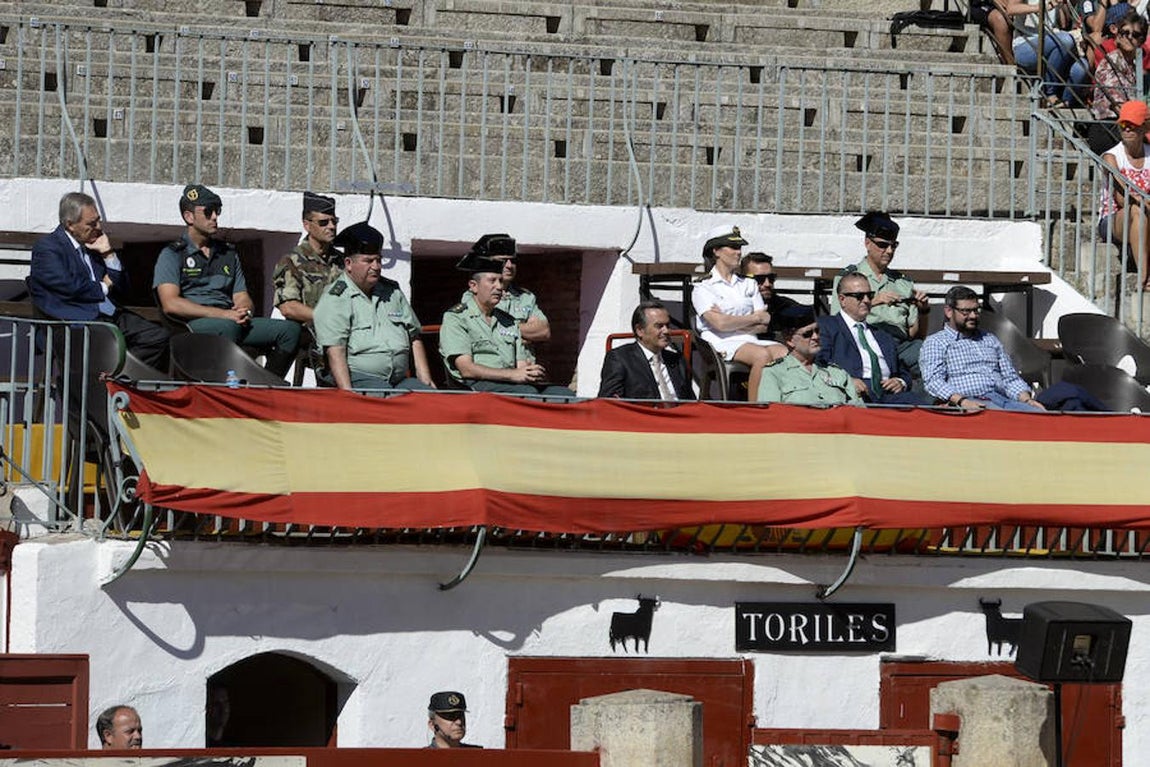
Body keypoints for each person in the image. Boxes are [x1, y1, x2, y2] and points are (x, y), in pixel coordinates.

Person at [154, 184, 301, 377]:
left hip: (230, 321)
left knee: (290, 331)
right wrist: (222, 315)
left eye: (217, 211)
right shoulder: (173, 254)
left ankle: (268, 383)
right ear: (189, 217)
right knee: (228, 327)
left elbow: (241, 295)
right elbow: (170, 303)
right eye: (208, 212)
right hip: (193, 324)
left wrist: (244, 310)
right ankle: (223, 386)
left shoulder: (228, 253)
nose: (215, 216)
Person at [28, 192, 169, 370]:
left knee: (157, 337)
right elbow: (68, 287)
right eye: (91, 223)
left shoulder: (94, 244)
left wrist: (108, 254)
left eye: (98, 220)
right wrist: (104, 286)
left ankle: (116, 379)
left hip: (109, 315)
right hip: (76, 320)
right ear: (70, 225)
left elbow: (124, 288)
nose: (98, 226)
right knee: (100, 349)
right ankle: (107, 381)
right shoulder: (48, 248)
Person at [439, 239, 574, 396]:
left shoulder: (508, 321)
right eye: (492, 281)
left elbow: (522, 364)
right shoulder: (456, 318)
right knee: (528, 394)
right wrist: (513, 375)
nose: (499, 287)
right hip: (475, 385)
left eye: (500, 281)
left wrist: (530, 373)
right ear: (473, 286)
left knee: (564, 395)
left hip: (510, 384)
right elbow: (467, 370)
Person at [313, 222, 435, 392]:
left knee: (430, 400)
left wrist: (425, 377)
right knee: (387, 400)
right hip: (359, 378)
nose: (376, 267)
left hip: (398, 380)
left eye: (378, 260)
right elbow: (335, 351)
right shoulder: (336, 298)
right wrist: (348, 394)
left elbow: (414, 336)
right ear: (348, 264)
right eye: (368, 261)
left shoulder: (392, 292)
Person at [691, 225, 786, 400]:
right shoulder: (703, 287)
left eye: (740, 248)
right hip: (720, 343)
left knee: (785, 354)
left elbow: (764, 323)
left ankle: (781, 404)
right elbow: (719, 324)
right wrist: (752, 317)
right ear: (716, 251)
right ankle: (755, 408)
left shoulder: (747, 284)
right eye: (734, 248)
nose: (739, 252)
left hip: (749, 339)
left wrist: (731, 321)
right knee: (762, 355)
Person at [831, 212, 929, 378]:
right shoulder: (849, 278)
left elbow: (915, 335)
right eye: (883, 245)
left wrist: (924, 311)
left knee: (932, 360)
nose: (889, 251)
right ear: (867, 243)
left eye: (893, 246)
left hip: (900, 345)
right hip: (864, 341)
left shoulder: (903, 283)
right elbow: (836, 322)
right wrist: (872, 301)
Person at [919, 286, 1046, 411]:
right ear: (949, 311)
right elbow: (934, 382)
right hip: (970, 401)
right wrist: (962, 401)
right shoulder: (936, 342)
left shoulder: (990, 339)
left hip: (1003, 400)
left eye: (976, 310)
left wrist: (1027, 400)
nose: (973, 316)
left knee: (1039, 416)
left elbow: (1010, 378)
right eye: (966, 311)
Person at [817, 273, 924, 405]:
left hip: (888, 394)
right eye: (859, 296)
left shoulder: (882, 335)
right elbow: (818, 365)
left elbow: (903, 372)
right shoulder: (827, 326)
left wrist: (899, 382)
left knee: (921, 406)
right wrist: (846, 380)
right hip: (852, 394)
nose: (867, 300)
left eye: (870, 295)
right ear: (842, 299)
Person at [755, 310, 861, 406]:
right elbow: (771, 416)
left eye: (817, 331)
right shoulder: (775, 373)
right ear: (789, 339)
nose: (816, 337)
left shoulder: (837, 372)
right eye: (807, 334)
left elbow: (860, 413)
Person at [998, 0, 1091, 108]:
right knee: (1065, 40)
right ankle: (1049, 93)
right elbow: (1011, 9)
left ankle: (1064, 103)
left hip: (1053, 43)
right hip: (1025, 45)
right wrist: (1041, 7)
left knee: (1081, 67)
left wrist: (1062, 5)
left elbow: (1064, 23)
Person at [272, 191, 344, 331]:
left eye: (334, 221)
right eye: (323, 222)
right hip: (308, 340)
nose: (331, 227)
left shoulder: (342, 261)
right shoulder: (292, 261)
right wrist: (325, 318)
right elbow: (288, 307)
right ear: (307, 225)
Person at [598, 300, 695, 400]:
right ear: (640, 330)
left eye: (667, 325)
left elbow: (690, 401)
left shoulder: (677, 360)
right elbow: (610, 404)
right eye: (659, 326)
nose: (666, 331)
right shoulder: (620, 359)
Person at [1099, 100, 1150, 287]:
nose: (1127, 129)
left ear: (1144, 127)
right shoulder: (1111, 156)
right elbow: (1123, 198)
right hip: (1113, 220)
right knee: (1136, 211)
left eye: (1132, 124)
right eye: (1123, 124)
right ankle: (1144, 275)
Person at [1088, 11, 1148, 155]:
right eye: (1125, 32)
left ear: (1142, 40)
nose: (1129, 38)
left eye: (1136, 35)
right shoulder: (1111, 61)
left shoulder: (1133, 66)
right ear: (1117, 35)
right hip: (1110, 128)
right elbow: (1119, 107)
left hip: (1127, 128)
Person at [480, 233, 550, 345]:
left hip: (526, 361)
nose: (509, 265)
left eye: (513, 261)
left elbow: (544, 331)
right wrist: (524, 333)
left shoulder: (525, 297)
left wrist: (503, 330)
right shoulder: (479, 295)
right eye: (503, 260)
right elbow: (479, 330)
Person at [739, 251, 805, 338]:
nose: (767, 284)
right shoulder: (733, 307)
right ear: (743, 279)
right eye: (759, 279)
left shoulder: (786, 307)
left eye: (771, 278)